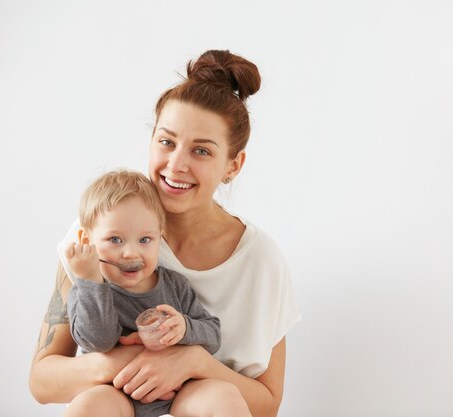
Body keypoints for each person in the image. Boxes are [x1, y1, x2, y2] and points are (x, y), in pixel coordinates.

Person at [29, 49, 301, 417]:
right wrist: (128, 362)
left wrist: (191, 361)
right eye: (167, 142)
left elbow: (267, 403)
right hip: (114, 398)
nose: (176, 165)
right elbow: (43, 382)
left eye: (201, 151)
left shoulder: (260, 261)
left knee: (218, 401)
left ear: (232, 165)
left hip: (210, 403)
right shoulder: (98, 234)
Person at [64, 169, 246, 417]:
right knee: (87, 406)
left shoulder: (174, 285)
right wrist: (91, 282)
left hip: (179, 393)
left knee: (226, 396)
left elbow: (213, 336)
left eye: (145, 240)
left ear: (160, 236)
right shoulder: (85, 291)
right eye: (115, 240)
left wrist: (184, 327)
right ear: (87, 240)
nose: (131, 253)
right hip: (117, 393)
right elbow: (99, 341)